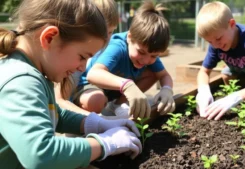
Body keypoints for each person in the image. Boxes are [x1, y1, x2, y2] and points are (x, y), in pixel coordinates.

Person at [0, 0, 142, 168]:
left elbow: (55, 114)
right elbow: (41, 155)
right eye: (82, 56)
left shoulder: (35, 71)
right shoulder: (21, 81)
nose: (82, 67)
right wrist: (105, 143)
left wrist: (96, 123)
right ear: (49, 38)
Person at [77, 0, 176, 119]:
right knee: (96, 100)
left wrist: (167, 90)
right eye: (141, 52)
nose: (145, 60)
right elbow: (93, 74)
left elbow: (164, 75)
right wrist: (127, 85)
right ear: (129, 37)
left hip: (116, 90)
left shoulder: (146, 52)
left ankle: (118, 105)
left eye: (154, 56)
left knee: (153, 73)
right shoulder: (117, 46)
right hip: (91, 86)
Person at [54, 0, 119, 116]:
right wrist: (97, 120)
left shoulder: (106, 47)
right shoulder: (68, 55)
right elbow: (59, 101)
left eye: (110, 32)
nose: (106, 40)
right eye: (103, 33)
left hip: (82, 91)